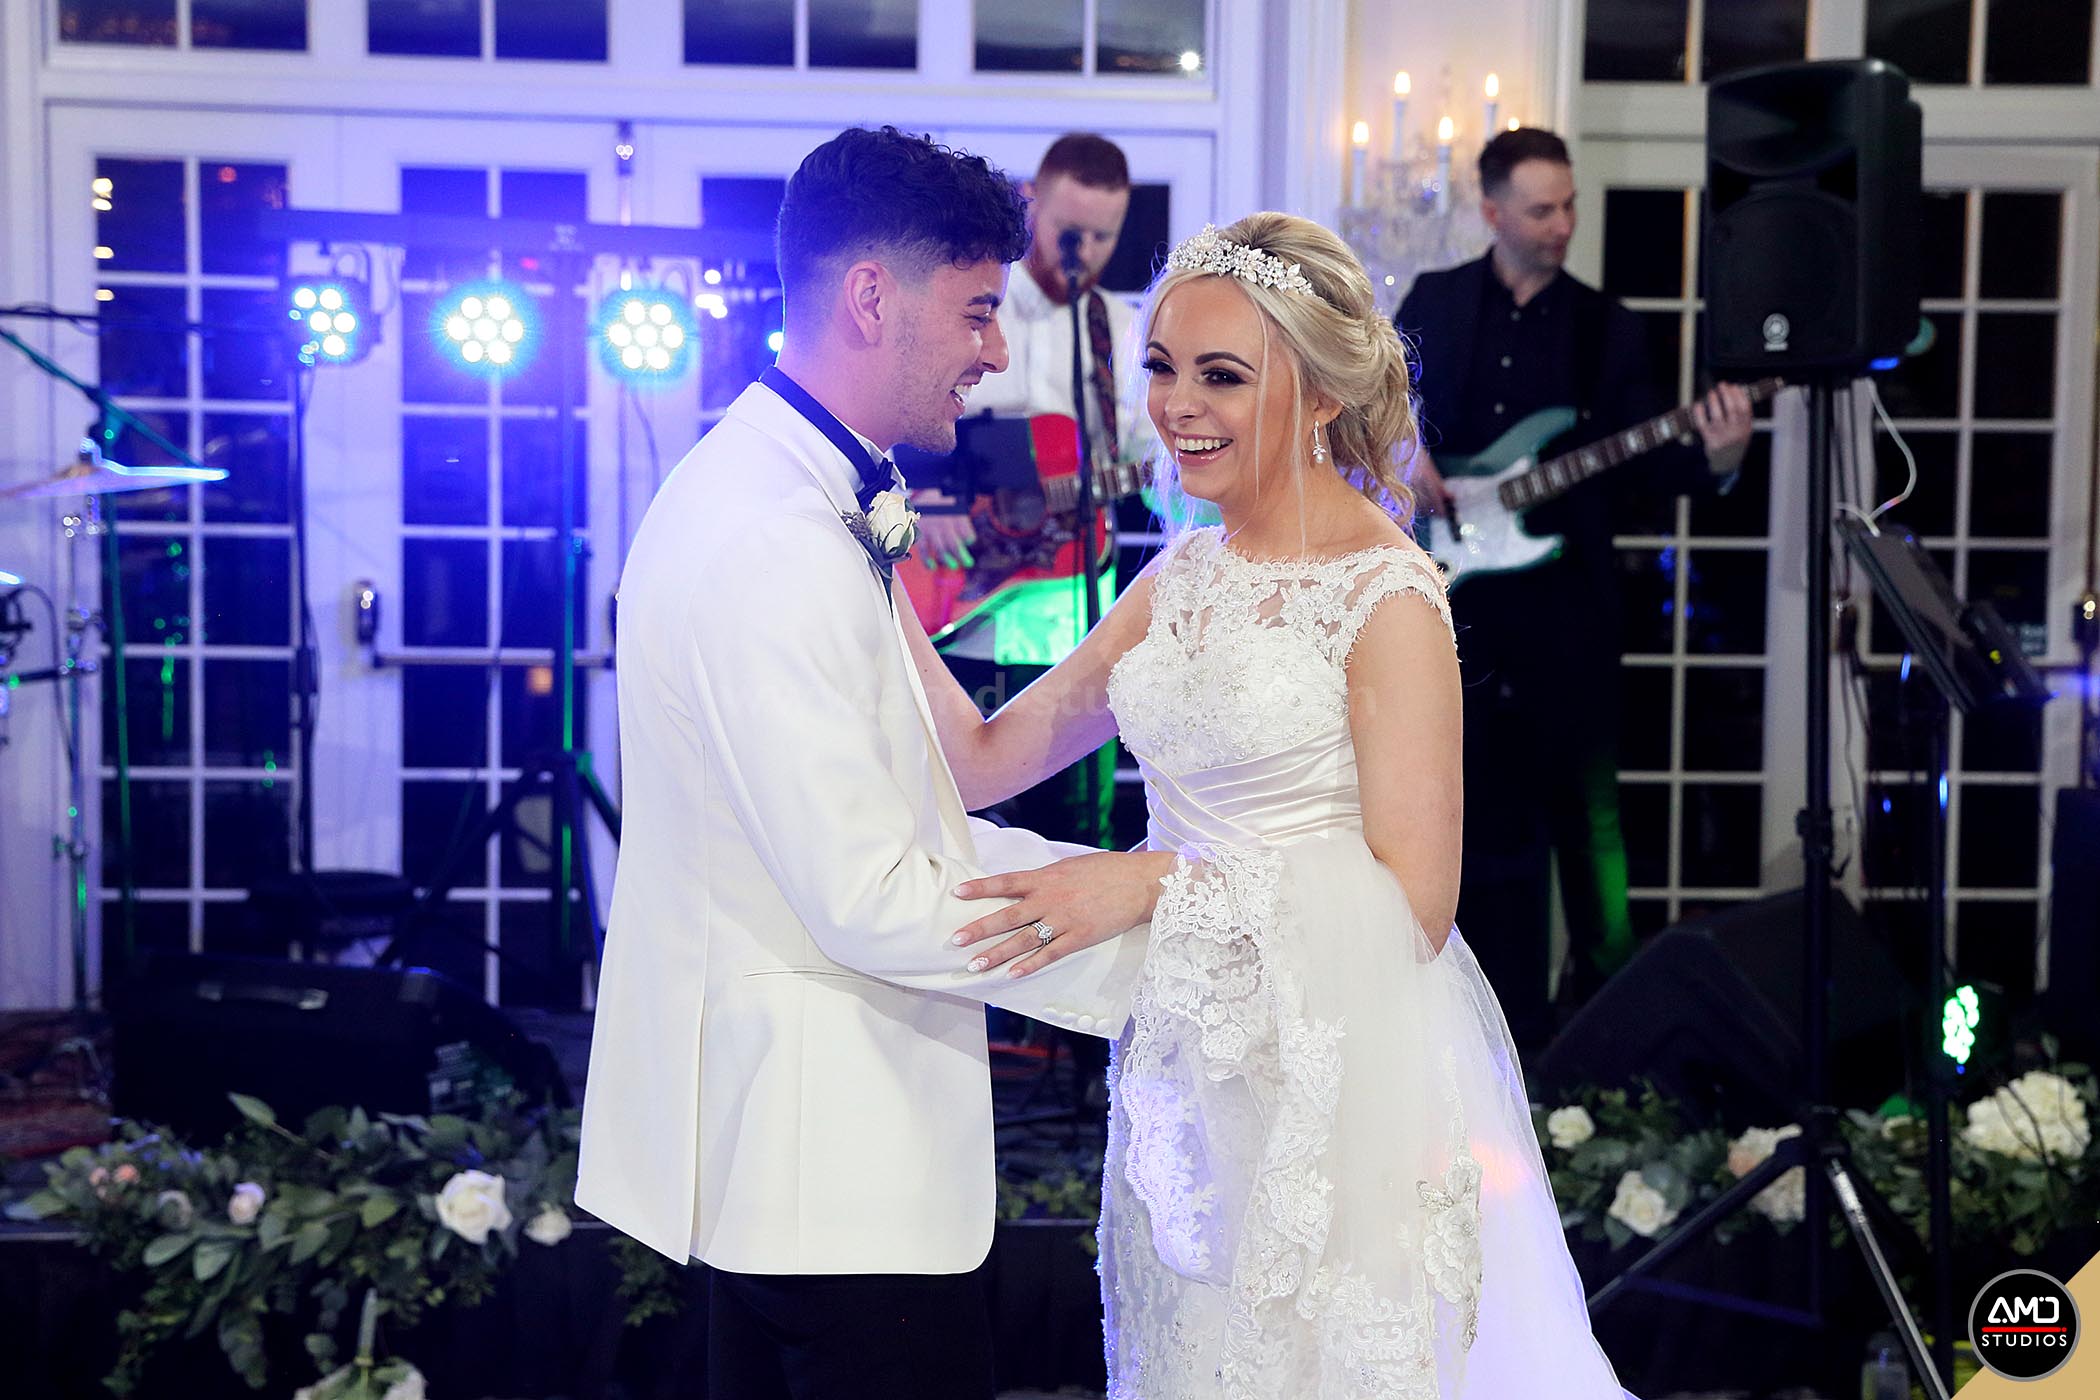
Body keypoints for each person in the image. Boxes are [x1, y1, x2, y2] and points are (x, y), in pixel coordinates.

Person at [921, 214, 1629, 1397]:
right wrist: (875, 572)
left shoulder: (1388, 596)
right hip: (1192, 1068)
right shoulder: (1181, 573)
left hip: (1344, 1082)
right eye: (1162, 367)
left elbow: (1417, 903)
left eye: (1222, 375)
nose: (1177, 405)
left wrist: (1149, 882)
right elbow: (989, 755)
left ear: (1319, 395)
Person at [574, 126, 1172, 1400]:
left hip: (816, 1167)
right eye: (976, 311)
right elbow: (867, 892)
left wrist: (1158, 632)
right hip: (830, 1176)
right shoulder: (770, 539)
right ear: (869, 296)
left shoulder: (804, 492)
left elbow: (947, 771)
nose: (996, 351)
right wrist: (1151, 941)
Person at [1395, 127, 1754, 1054]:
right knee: (1459, 822)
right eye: (1542, 209)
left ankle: (1607, 1049)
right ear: (1492, 211)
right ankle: (1460, 1031)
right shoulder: (1435, 300)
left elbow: (1646, 467)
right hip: (1449, 614)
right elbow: (1374, 405)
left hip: (1569, 621)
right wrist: (1406, 448)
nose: (1562, 225)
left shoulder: (1609, 326)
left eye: (1570, 206)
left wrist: (1718, 458)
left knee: (1592, 831)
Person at [915, 132, 1155, 850]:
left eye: (1104, 236)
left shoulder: (1123, 332)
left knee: (1075, 840)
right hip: (959, 618)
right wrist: (924, 500)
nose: (1086, 251)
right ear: (1031, 205)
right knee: (947, 831)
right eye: (1069, 231)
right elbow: (901, 425)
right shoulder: (966, 307)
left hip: (1072, 634)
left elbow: (1154, 460)